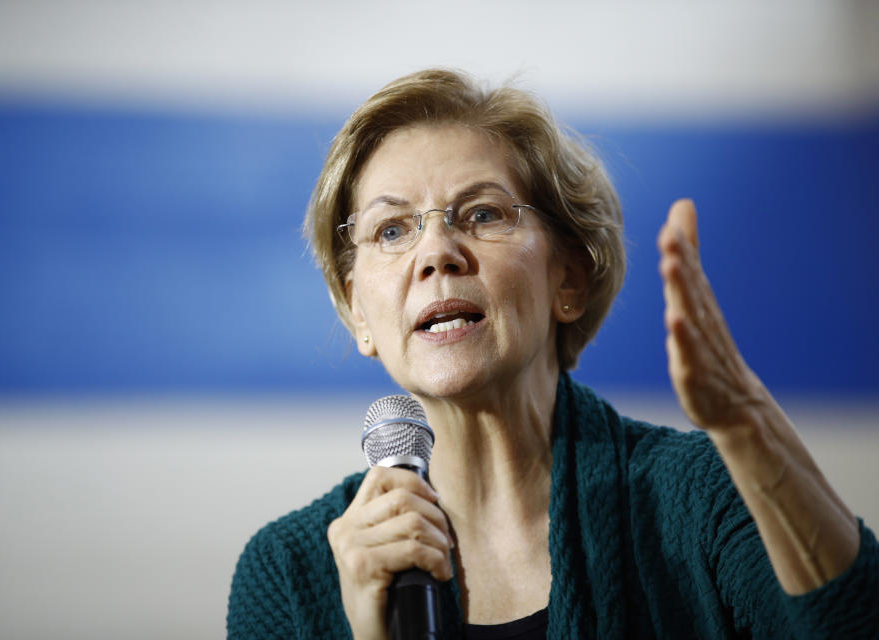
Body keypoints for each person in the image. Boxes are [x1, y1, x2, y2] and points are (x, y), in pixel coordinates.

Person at [227, 69, 878, 639]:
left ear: (568, 279)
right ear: (357, 312)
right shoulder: (287, 572)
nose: (435, 254)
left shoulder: (700, 497)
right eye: (392, 229)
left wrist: (748, 426)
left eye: (481, 214)